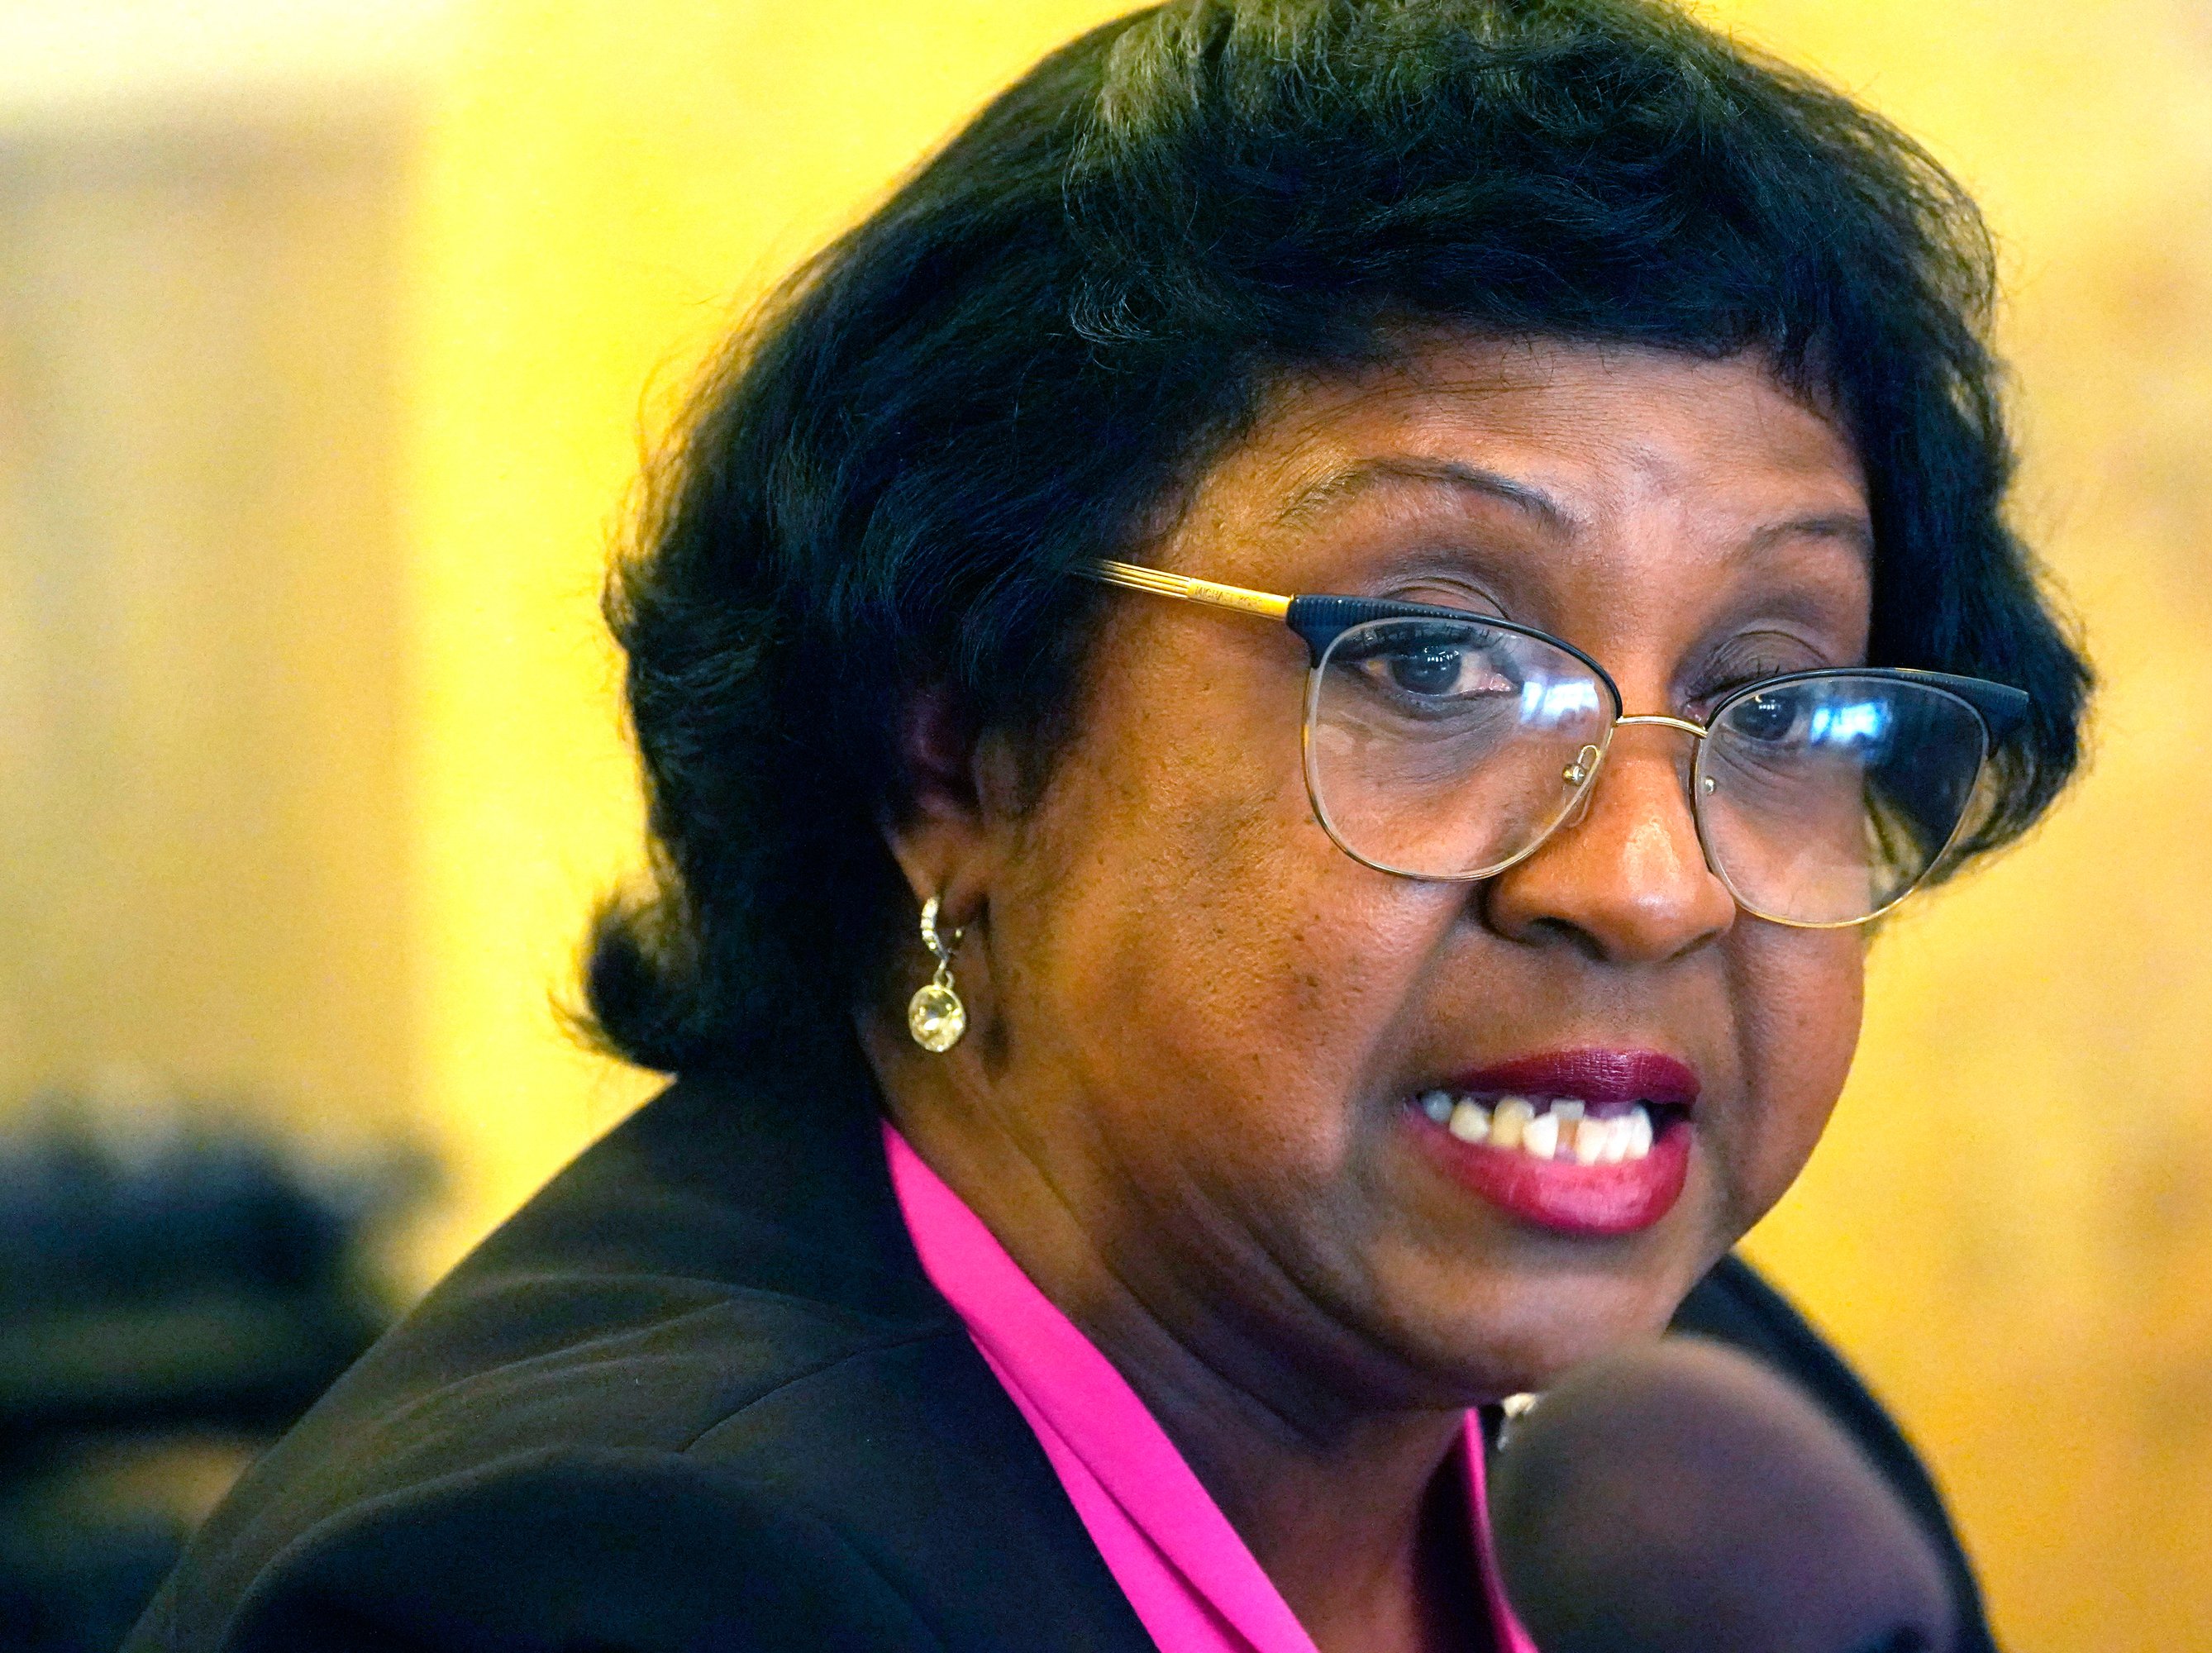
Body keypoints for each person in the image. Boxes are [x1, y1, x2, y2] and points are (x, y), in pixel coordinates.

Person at [128, 1, 2090, 1649]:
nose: (1648, 877)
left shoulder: (1688, 1463)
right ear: (957, 749)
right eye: (1435, 661)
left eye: (1780, 701)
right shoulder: (605, 1590)